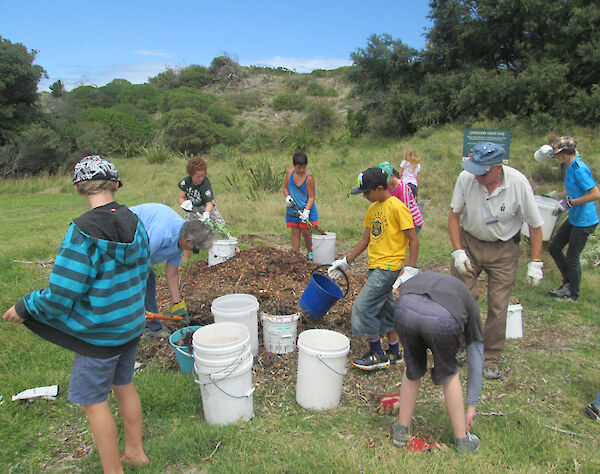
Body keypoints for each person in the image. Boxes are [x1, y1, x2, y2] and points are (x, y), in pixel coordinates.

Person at [2, 156, 151, 472]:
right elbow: (142, 272)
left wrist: (25, 307)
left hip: (98, 338)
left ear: (77, 188)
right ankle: (135, 451)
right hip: (130, 326)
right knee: (123, 384)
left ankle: (113, 470)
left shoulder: (82, 232)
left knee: (93, 401)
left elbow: (61, 294)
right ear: (116, 184)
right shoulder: (137, 222)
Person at [448, 142, 544, 380]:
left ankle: (491, 356)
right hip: (470, 243)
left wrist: (536, 262)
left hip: (503, 251)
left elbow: (535, 224)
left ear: (498, 167)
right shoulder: (466, 178)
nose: (476, 175)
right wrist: (458, 251)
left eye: (482, 171)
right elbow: (454, 215)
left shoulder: (519, 184)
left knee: (498, 306)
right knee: (463, 296)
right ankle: (461, 345)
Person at [328, 167, 419, 370]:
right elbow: (365, 239)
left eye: (367, 192)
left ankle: (377, 353)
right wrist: (345, 260)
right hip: (376, 266)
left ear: (380, 188)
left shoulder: (397, 207)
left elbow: (413, 238)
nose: (365, 197)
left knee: (363, 307)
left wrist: (411, 268)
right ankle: (395, 352)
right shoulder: (373, 209)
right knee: (386, 308)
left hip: (389, 267)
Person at [390, 272, 484, 453]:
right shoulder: (471, 306)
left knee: (412, 366)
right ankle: (463, 440)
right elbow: (476, 356)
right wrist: (471, 406)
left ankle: (401, 432)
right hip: (441, 318)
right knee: (449, 373)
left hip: (405, 308)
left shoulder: (425, 279)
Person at [130, 203, 213, 338]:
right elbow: (137, 262)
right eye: (194, 248)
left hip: (137, 250)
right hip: (119, 236)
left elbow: (172, 275)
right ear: (188, 240)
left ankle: (148, 325)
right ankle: (147, 328)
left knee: (147, 277)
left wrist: (179, 307)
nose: (191, 251)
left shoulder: (179, 241)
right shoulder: (161, 233)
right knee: (144, 277)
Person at [546, 136, 600, 302]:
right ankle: (567, 283)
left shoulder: (579, 168)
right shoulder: (568, 166)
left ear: (565, 153)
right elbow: (574, 190)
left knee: (572, 257)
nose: (555, 157)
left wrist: (569, 203)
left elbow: (595, 194)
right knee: (554, 247)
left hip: (585, 220)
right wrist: (557, 196)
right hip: (575, 216)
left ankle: (573, 295)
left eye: (557, 154)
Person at [178, 156, 229, 262]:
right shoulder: (185, 182)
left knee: (220, 226)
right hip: (192, 208)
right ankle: (186, 260)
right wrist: (184, 204)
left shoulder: (205, 183)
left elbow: (209, 203)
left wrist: (206, 213)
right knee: (187, 231)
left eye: (203, 175)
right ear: (191, 174)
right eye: (198, 176)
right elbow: (181, 197)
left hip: (206, 207)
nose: (201, 178)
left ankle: (235, 250)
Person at [283, 152, 319, 259]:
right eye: (299, 168)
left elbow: (311, 197)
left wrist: (306, 211)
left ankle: (310, 254)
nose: (302, 170)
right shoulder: (289, 173)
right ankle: (296, 256)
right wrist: (287, 197)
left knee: (306, 233)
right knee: (295, 232)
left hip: (306, 211)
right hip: (293, 209)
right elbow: (285, 188)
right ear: (294, 166)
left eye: (304, 167)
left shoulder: (309, 178)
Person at [378, 161, 424, 234]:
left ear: (392, 176)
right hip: (401, 219)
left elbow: (405, 210)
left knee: (405, 244)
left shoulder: (402, 188)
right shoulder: (389, 186)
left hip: (413, 221)